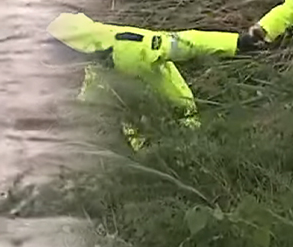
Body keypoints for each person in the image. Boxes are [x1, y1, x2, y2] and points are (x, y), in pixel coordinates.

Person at [47, 12, 256, 150]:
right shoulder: (96, 62)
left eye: (62, 53)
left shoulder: (131, 45)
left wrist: (236, 42)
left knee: (191, 153)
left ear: (76, 45)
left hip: (178, 114)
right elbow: (93, 95)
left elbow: (188, 43)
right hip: (141, 132)